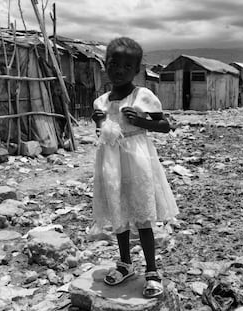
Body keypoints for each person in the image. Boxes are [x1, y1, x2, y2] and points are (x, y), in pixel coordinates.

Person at [91, 37, 179, 299]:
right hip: (111, 161)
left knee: (142, 216)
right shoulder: (101, 102)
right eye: (113, 64)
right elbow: (104, 132)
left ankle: (152, 270)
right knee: (119, 213)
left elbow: (165, 126)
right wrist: (97, 121)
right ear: (105, 64)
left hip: (138, 160)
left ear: (137, 69)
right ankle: (125, 264)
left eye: (126, 66)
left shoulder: (143, 96)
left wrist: (143, 121)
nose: (119, 70)